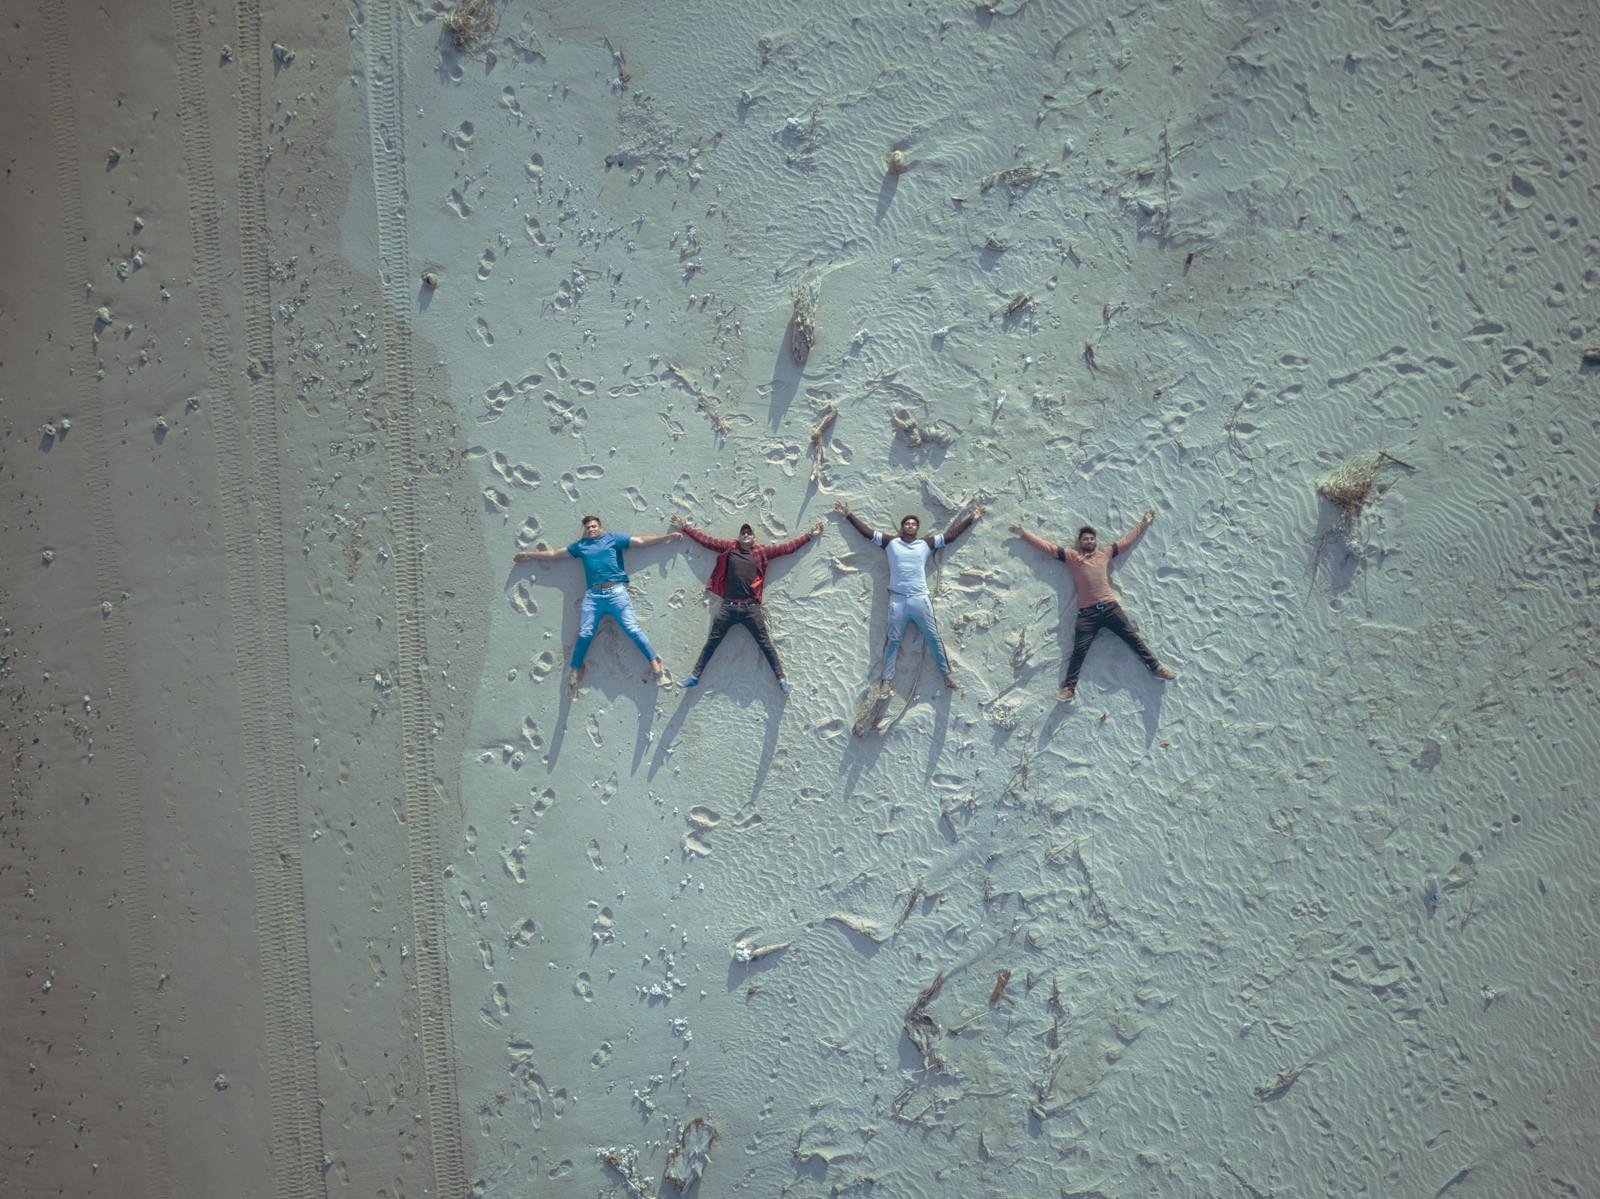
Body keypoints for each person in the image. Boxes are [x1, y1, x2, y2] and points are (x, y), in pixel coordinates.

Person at [1010, 510, 1177, 702]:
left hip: (1110, 608)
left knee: (1132, 638)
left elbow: (1125, 542)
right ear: (1080, 541)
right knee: (1079, 650)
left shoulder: (1104, 553)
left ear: (1095, 541)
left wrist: (1144, 523)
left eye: (1091, 539)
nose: (1089, 541)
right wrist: (1024, 534)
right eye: (1085, 539)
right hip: (1087, 614)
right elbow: (1048, 547)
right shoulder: (1072, 556)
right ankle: (1069, 689)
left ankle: (1156, 668)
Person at [833, 500, 985, 692]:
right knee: (893, 640)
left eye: (913, 524)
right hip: (898, 600)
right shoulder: (890, 543)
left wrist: (971, 518)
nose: (910, 525)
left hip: (920, 599)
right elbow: (867, 533)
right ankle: (886, 681)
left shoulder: (926, 544)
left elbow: (950, 536)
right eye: (907, 523)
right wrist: (848, 515)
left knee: (933, 637)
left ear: (917, 528)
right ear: (902, 527)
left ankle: (947, 676)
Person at [512, 514, 681, 687]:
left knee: (632, 629)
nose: (591, 529)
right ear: (584, 530)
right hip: (593, 596)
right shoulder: (581, 546)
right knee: (585, 634)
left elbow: (639, 541)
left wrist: (666, 538)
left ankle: (655, 665)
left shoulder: (613, 538)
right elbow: (555, 554)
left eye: (594, 526)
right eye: (588, 528)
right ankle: (576, 670)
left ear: (600, 527)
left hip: (616, 593)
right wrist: (528, 555)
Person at [670, 515, 825, 694]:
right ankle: (695, 677)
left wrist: (810, 535)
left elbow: (786, 548)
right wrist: (685, 528)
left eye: (748, 533)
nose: (745, 534)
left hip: (751, 608)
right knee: (712, 642)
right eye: (743, 533)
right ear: (739, 537)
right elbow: (707, 541)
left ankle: (782, 680)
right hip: (728, 607)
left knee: (765, 644)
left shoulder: (761, 552)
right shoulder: (730, 548)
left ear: (753, 538)